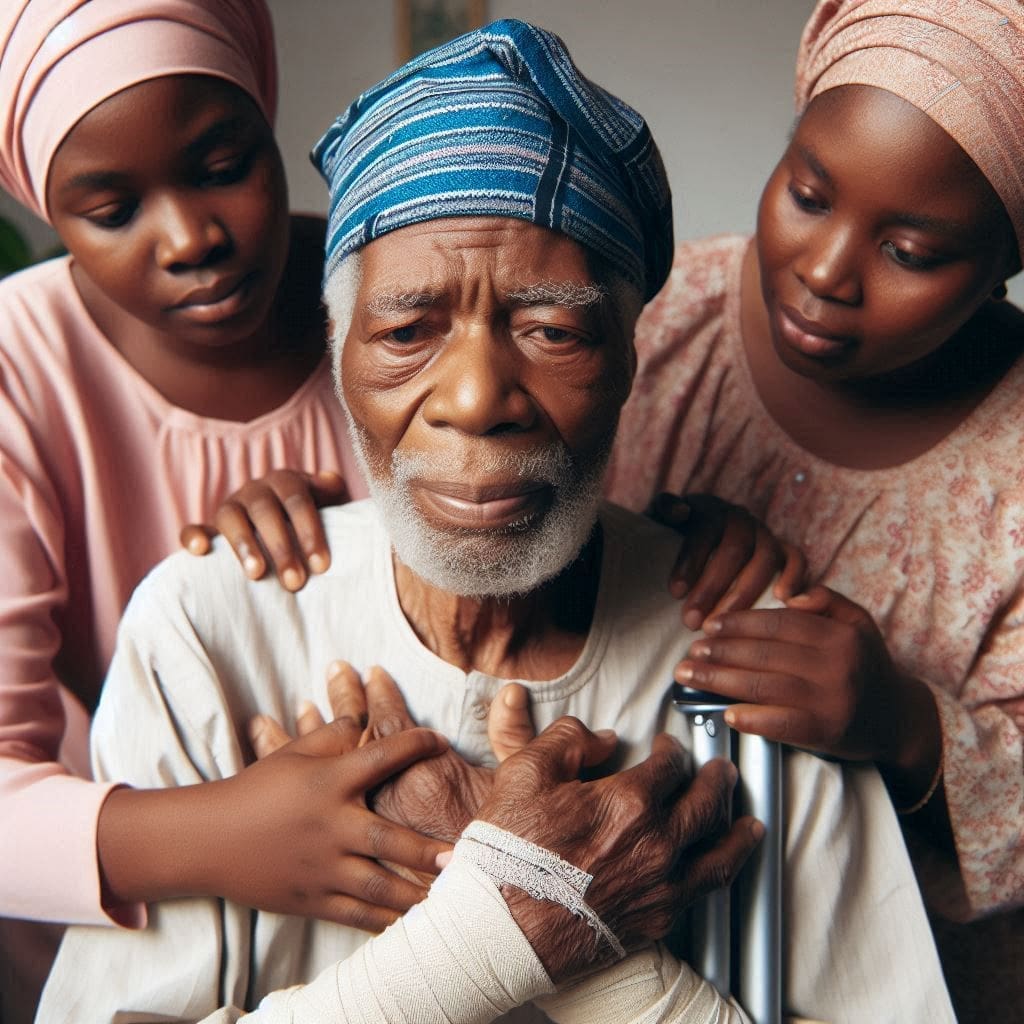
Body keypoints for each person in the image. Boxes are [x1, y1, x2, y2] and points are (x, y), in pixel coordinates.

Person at [37, 20, 953, 1024]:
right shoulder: (209, 627)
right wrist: (500, 921)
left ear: (627, 360)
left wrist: (570, 934)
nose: (476, 397)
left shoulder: (755, 657)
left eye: (552, 329)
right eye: (406, 331)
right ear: (337, 357)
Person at [0, 3, 492, 1019]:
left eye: (224, 166)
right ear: (46, 208)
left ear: (269, 118)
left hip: (435, 910)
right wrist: (226, 834)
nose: (191, 238)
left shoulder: (404, 300)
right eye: (110, 208)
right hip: (126, 930)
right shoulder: (17, 367)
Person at [603, 1, 1024, 1018]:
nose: (826, 270)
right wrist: (640, 542)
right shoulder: (653, 316)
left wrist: (907, 725)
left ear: (1008, 261)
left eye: (912, 253)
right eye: (805, 192)